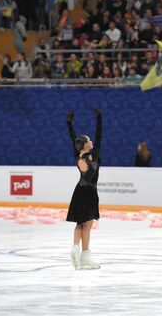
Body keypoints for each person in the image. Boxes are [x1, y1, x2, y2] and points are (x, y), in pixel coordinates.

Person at [66, 108, 102, 270]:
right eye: (89, 140)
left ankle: (76, 249)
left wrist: (69, 123)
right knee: (87, 225)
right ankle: (84, 255)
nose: (92, 141)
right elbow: (100, 136)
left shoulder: (77, 156)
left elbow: (73, 139)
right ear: (86, 144)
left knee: (81, 224)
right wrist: (99, 118)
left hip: (80, 191)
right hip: (90, 192)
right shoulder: (93, 156)